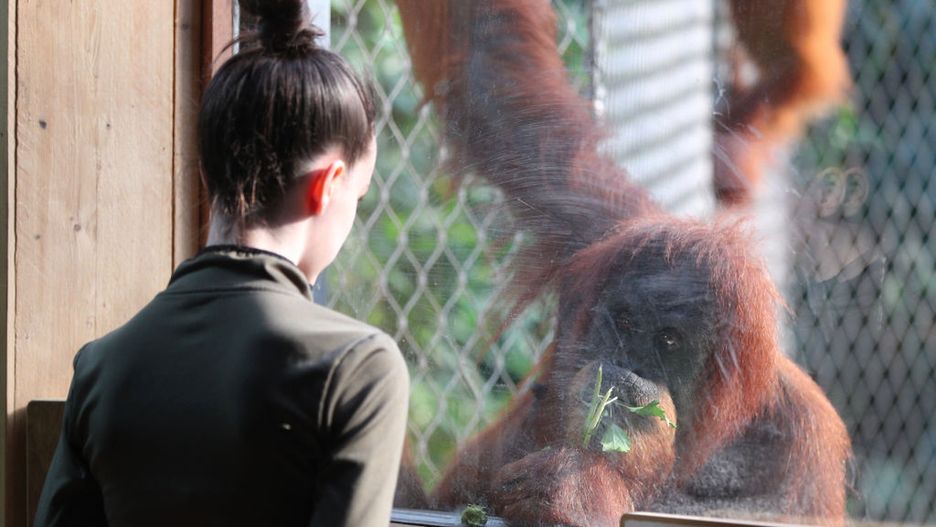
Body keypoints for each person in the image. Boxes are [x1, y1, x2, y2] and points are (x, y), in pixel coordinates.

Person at [34, 1, 409, 525]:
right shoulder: (357, 368)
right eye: (360, 198)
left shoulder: (100, 367)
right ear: (328, 186)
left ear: (210, 173)